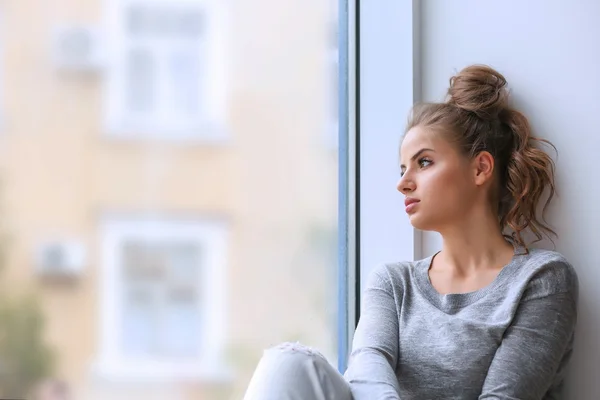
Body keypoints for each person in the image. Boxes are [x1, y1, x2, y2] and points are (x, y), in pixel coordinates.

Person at [243, 65, 578, 400]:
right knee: (285, 364)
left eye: (424, 163)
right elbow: (367, 368)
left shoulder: (542, 279)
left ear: (480, 168)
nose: (403, 183)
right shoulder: (393, 283)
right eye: (403, 168)